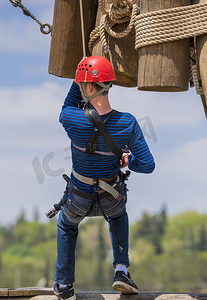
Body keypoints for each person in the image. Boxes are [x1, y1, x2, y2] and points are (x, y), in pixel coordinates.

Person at [53, 56, 155, 300]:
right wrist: (127, 159)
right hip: (111, 195)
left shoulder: (70, 118)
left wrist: (81, 68)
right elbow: (148, 165)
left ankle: (64, 284)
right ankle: (121, 271)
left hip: (78, 197)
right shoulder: (127, 123)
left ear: (87, 87)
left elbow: (69, 102)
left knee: (66, 226)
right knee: (118, 216)